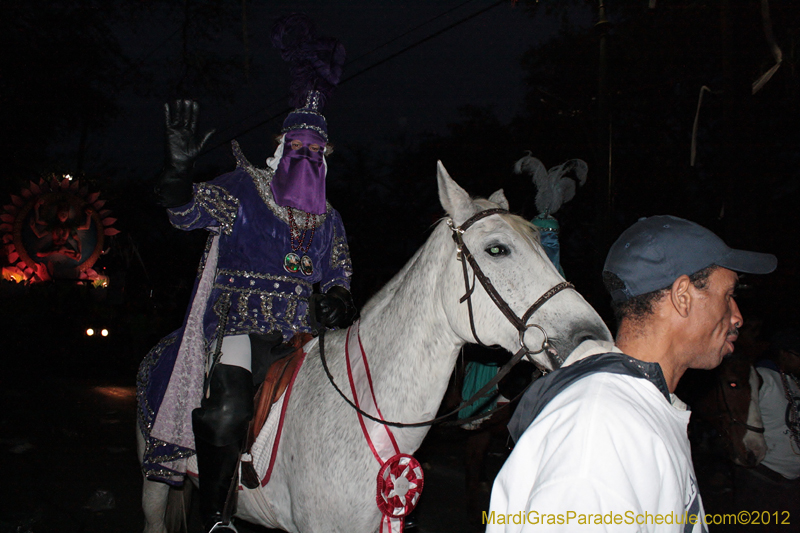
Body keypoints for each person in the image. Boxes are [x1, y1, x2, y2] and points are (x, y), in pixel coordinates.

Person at [137, 14, 356, 533]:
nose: (306, 155)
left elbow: (340, 275)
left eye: (316, 151)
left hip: (305, 335)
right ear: (279, 148)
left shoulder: (330, 218)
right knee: (229, 408)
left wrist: (340, 301)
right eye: (297, 147)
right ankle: (216, 518)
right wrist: (177, 172)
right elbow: (185, 212)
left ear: (327, 159)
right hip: (242, 326)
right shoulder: (242, 187)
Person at [485, 215, 777, 532]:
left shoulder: (634, 410)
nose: (737, 317)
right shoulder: (601, 431)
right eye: (728, 295)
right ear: (683, 296)